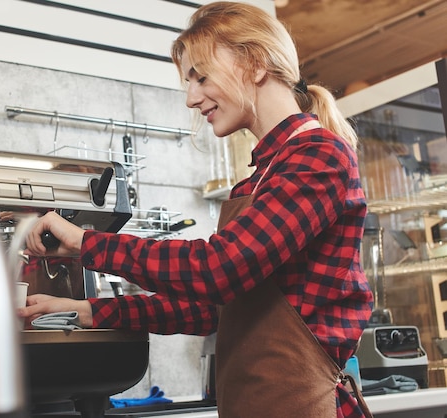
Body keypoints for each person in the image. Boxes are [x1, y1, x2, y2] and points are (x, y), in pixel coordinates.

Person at [19, 2, 374, 417]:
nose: (191, 98)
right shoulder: (259, 178)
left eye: (200, 77)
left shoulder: (317, 156)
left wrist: (87, 243)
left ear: (256, 64)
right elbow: (215, 309)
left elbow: (217, 270)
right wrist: (91, 311)